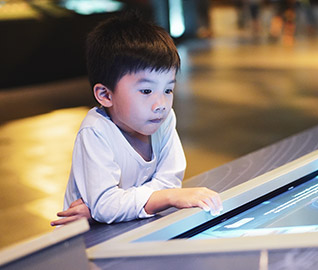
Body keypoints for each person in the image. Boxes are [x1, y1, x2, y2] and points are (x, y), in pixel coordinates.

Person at [50, 13, 223, 226]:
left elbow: (169, 181)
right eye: (146, 90)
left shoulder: (164, 119)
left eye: (168, 89)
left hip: (131, 228)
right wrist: (165, 198)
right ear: (105, 95)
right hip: (86, 242)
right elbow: (107, 205)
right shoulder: (96, 131)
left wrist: (106, 208)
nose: (160, 103)